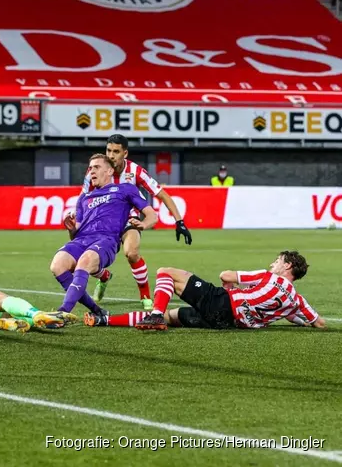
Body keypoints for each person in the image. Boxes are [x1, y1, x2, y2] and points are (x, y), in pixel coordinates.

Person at [80, 135, 192, 310]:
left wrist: (179, 221)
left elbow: (161, 194)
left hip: (128, 220)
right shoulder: (94, 171)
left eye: (116, 151)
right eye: (108, 150)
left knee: (131, 253)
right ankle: (104, 276)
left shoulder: (136, 172)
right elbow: (84, 199)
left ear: (125, 153)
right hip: (102, 223)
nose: (111, 155)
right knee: (87, 259)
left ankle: (145, 294)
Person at [84, 251, 325, 331]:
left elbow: (225, 275)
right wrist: (304, 323)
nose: (273, 263)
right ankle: (104, 320)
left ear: (287, 265)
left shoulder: (269, 277)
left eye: (277, 260)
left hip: (222, 303)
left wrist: (231, 286)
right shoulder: (296, 301)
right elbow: (318, 323)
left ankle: (155, 313)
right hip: (227, 324)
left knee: (166, 272)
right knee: (175, 316)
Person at [50, 154, 157, 315]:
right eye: (90, 168)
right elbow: (74, 235)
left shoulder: (125, 189)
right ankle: (97, 310)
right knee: (57, 265)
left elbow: (152, 215)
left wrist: (143, 224)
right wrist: (71, 228)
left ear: (109, 171)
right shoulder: (84, 198)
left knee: (85, 261)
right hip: (82, 239)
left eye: (97, 167)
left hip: (106, 240)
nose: (92, 171)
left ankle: (63, 312)